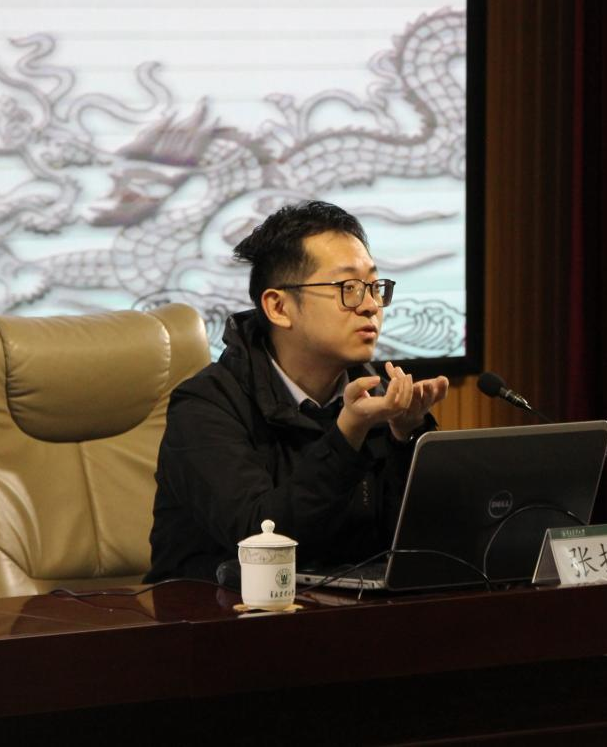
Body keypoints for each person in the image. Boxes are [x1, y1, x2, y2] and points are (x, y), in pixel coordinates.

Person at [146, 200, 449, 581]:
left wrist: (406, 438)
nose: (371, 306)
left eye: (374, 287)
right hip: (215, 611)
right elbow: (259, 542)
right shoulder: (205, 407)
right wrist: (347, 435)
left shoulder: (378, 400)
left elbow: (410, 548)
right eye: (349, 288)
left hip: (345, 610)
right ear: (278, 307)